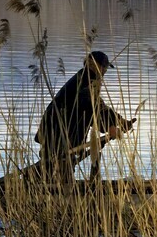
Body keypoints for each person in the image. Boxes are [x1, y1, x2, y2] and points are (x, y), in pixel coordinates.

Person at [34, 51, 133, 184]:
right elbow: (91, 107)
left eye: (105, 68)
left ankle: (43, 188)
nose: (104, 71)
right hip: (58, 133)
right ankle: (52, 195)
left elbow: (98, 105)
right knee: (57, 170)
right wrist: (111, 126)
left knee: (57, 170)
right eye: (103, 67)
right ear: (94, 65)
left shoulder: (86, 78)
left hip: (58, 132)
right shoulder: (85, 81)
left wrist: (119, 121)